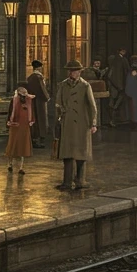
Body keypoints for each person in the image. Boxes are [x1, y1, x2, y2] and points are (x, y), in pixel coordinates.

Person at [54, 59, 98, 190]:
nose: (72, 73)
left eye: (74, 71)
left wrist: (93, 123)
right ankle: (67, 182)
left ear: (79, 72)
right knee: (67, 153)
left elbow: (92, 106)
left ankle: (80, 180)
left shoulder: (85, 86)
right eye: (70, 71)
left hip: (82, 123)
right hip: (67, 122)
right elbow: (58, 102)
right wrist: (60, 117)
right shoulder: (63, 85)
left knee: (81, 153)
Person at [5, 84, 35, 175]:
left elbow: (32, 112)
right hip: (15, 126)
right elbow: (10, 112)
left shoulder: (29, 101)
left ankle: (21, 167)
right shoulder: (14, 101)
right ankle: (10, 164)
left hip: (24, 126)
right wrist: (9, 122)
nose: (23, 97)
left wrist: (31, 121)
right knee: (12, 146)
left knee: (23, 147)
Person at [25, 60, 50, 147]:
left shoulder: (30, 77)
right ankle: (40, 139)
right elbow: (42, 89)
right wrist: (47, 97)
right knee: (41, 119)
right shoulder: (38, 77)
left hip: (33, 100)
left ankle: (34, 139)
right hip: (39, 101)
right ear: (38, 68)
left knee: (34, 118)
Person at [106, 47, 130, 126]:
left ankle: (112, 120)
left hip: (116, 85)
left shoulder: (116, 60)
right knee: (114, 103)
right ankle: (112, 120)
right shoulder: (121, 60)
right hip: (118, 85)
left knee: (114, 102)